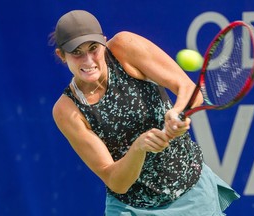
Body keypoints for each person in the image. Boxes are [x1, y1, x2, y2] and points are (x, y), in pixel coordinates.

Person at [50, 10, 240, 215]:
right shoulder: (67, 110)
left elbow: (190, 92)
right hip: (131, 208)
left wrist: (176, 113)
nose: (88, 61)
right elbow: (116, 182)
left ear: (104, 43)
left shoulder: (124, 47)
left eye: (94, 48)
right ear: (61, 55)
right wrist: (139, 149)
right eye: (77, 52)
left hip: (191, 193)